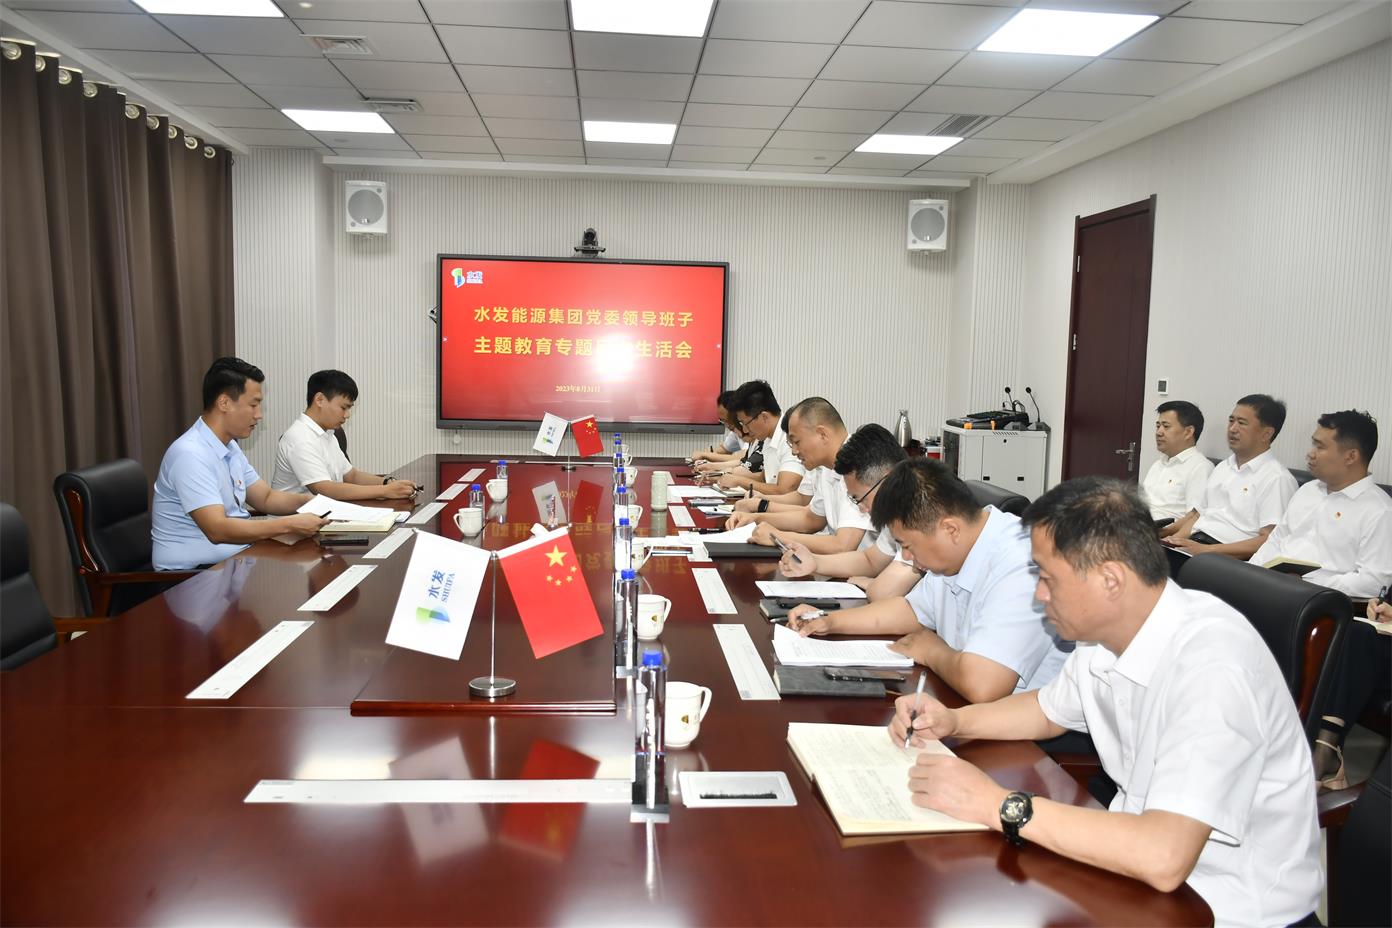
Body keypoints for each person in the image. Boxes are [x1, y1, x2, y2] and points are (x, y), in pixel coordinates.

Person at [889, 478, 1321, 927]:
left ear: (1110, 580)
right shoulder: (1106, 635)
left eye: (1047, 578)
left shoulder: (1214, 666)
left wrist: (996, 804)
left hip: (1225, 907)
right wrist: (955, 721)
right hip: (1131, 875)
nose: (1039, 595)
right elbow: (1047, 710)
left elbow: (1163, 856)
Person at [790, 458, 1069, 703]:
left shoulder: (1023, 563)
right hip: (963, 701)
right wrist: (830, 621)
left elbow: (983, 684)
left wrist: (931, 650)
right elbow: (911, 611)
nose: (907, 557)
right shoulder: (953, 552)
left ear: (950, 529)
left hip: (1031, 732)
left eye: (908, 545)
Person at [152, 357, 326, 570]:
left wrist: (311, 501)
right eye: (254, 405)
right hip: (192, 574)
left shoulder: (229, 447)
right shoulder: (190, 454)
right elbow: (217, 530)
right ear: (224, 403)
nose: (259, 415)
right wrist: (289, 524)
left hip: (234, 560)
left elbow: (266, 498)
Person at [1250, 409, 1391, 597]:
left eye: (1320, 447)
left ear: (1351, 456)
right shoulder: (1308, 490)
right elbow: (1276, 540)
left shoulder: (1380, 511)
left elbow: (1373, 582)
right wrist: (1250, 573)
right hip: (1271, 586)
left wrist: (1307, 585)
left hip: (1317, 600)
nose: (1311, 453)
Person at [776, 424, 920, 600]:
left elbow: (882, 592)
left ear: (888, 479)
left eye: (861, 498)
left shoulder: (921, 512)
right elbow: (870, 560)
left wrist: (874, 585)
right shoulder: (896, 511)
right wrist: (814, 562)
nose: (862, 509)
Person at [724, 397, 872, 554]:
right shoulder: (827, 466)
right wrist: (756, 518)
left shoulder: (858, 463)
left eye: (797, 442)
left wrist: (778, 537)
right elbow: (811, 519)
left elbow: (843, 545)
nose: (794, 451)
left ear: (822, 434)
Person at [1162, 394, 1297, 558]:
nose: (1232, 429)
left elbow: (1269, 540)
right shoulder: (1223, 467)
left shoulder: (1277, 478)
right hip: (1198, 545)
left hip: (1226, 558)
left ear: (1266, 434)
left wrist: (1206, 550)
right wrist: (1173, 542)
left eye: (1242, 423)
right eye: (1231, 421)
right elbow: (1198, 515)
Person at [271, 370, 418, 501]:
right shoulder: (300, 438)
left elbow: (351, 476)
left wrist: (388, 483)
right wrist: (385, 491)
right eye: (344, 407)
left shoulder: (327, 434)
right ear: (319, 400)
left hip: (324, 515)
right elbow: (325, 490)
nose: (347, 415)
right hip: (295, 521)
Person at [709, 380, 805, 495]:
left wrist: (740, 481)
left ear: (764, 417)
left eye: (745, 423)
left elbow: (784, 490)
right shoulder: (768, 437)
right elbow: (764, 478)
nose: (745, 430)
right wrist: (729, 477)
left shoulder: (789, 438)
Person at [1140, 400, 1213, 523]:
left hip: (1162, 530)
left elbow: (1193, 520)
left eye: (1166, 426)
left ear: (1188, 432)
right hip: (1137, 523)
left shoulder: (1200, 468)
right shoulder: (1159, 464)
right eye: (1158, 426)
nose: (1158, 432)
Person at [691, 390, 745, 465]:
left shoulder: (752, 431)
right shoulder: (736, 430)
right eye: (723, 420)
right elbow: (725, 448)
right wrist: (708, 453)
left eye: (728, 420)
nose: (727, 425)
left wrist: (706, 456)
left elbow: (743, 458)